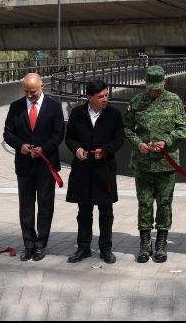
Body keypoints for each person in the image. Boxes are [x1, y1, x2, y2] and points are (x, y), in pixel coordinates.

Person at [124, 65, 186, 263]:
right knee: (144, 204)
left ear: (164, 82)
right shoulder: (136, 101)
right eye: (150, 87)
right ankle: (145, 245)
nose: (153, 91)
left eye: (157, 87)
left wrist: (167, 142)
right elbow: (127, 128)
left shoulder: (174, 100)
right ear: (145, 82)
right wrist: (138, 144)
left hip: (166, 164)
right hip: (143, 164)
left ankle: (161, 244)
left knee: (164, 204)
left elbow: (183, 128)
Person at [3, 73, 65, 262]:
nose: (29, 95)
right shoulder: (16, 107)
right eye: (26, 92)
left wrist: (42, 149)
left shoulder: (54, 107)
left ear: (42, 86)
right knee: (26, 206)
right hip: (24, 166)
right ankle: (28, 244)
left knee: (45, 206)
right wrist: (20, 146)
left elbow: (58, 134)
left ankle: (41, 244)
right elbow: (7, 133)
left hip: (46, 165)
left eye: (33, 92)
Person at [65, 80, 124, 264]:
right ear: (89, 97)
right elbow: (70, 138)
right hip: (82, 169)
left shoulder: (114, 114)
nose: (105, 99)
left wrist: (104, 151)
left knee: (106, 211)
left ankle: (105, 248)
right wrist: (77, 150)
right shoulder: (77, 113)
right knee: (84, 210)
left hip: (104, 169)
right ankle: (83, 247)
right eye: (100, 96)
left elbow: (119, 139)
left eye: (106, 95)